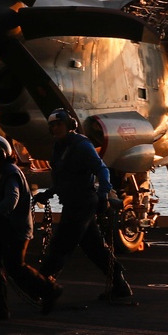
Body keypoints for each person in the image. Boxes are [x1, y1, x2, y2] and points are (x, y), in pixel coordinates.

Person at [34, 109, 133, 301]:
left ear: (70, 126)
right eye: (53, 126)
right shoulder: (59, 147)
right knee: (94, 248)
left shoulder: (81, 145)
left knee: (61, 244)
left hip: (82, 204)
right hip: (73, 202)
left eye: (59, 124)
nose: (56, 128)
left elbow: (102, 170)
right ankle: (120, 285)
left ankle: (42, 286)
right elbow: (64, 179)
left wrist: (104, 194)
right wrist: (48, 193)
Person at [0, 134, 61, 320]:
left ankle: (49, 290)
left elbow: (11, 199)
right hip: (0, 229)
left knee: (15, 268)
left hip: (12, 231)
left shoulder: (10, 173)